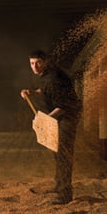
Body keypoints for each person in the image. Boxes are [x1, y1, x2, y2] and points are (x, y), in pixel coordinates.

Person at [20, 49, 82, 204]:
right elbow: (48, 90)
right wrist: (33, 92)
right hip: (59, 118)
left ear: (45, 61)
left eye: (38, 62)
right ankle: (59, 185)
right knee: (58, 152)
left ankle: (64, 195)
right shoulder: (48, 75)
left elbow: (63, 105)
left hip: (67, 118)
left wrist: (45, 119)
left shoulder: (55, 78)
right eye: (32, 63)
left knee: (63, 155)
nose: (35, 66)